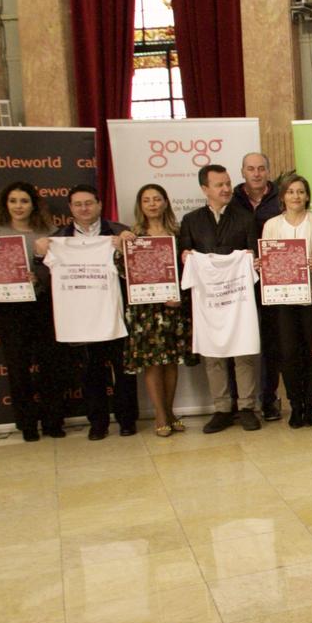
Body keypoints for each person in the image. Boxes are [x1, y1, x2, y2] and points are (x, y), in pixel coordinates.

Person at [0, 181, 63, 441]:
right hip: (9, 309)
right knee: (18, 367)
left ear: (33, 205)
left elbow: (63, 270)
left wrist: (38, 276)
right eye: (13, 201)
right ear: (5, 205)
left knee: (50, 366)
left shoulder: (49, 231)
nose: (19, 206)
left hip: (43, 306)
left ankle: (53, 421)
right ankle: (27, 424)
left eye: (24, 201)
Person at [41, 184, 138, 440]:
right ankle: (98, 422)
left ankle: (127, 420)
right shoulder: (59, 239)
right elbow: (45, 270)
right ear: (71, 208)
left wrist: (127, 246)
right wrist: (41, 248)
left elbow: (138, 269)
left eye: (89, 203)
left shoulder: (118, 232)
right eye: (78, 204)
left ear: (99, 205)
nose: (84, 208)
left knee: (124, 370)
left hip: (115, 314)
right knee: (90, 372)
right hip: (81, 318)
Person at [178, 163, 261, 433]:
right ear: (205, 189)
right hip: (208, 302)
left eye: (227, 183)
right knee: (213, 355)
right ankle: (222, 408)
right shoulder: (191, 221)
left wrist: (252, 261)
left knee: (243, 352)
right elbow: (184, 257)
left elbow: (253, 253)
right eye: (219, 185)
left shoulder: (245, 218)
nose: (226, 189)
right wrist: (187, 259)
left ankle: (247, 407)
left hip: (239, 299)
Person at [124, 182, 198, 438]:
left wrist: (181, 297)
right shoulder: (132, 236)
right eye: (147, 200)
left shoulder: (178, 235)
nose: (153, 204)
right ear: (140, 206)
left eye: (157, 199)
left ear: (166, 202)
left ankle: (170, 410)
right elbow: (125, 272)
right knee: (153, 363)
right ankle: (159, 414)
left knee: (171, 362)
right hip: (145, 310)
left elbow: (189, 271)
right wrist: (122, 247)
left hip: (173, 308)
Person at [262, 172, 312, 428]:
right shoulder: (272, 225)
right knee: (288, 353)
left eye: (300, 191)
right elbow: (267, 260)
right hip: (283, 300)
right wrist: (261, 265)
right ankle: (295, 404)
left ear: (307, 195)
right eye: (290, 192)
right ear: (283, 196)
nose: (296, 196)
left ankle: (310, 405)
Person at [227, 151, 284, 420]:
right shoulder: (232, 201)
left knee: (271, 342)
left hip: (274, 282)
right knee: (238, 342)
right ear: (243, 172)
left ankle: (269, 399)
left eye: (261, 168)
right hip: (237, 284)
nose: (257, 173)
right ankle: (237, 402)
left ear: (268, 171)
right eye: (251, 168)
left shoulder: (280, 199)